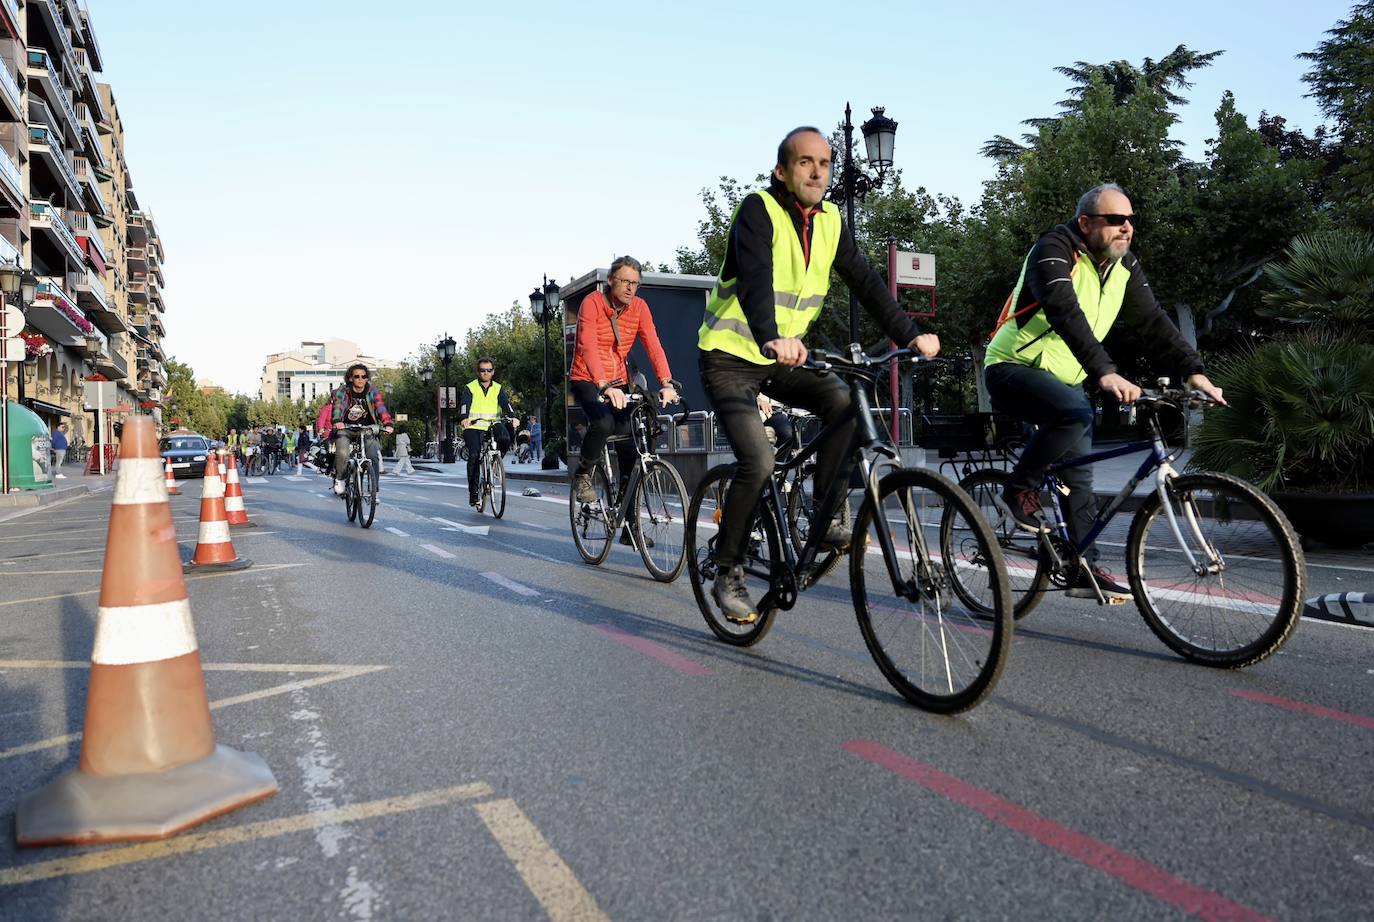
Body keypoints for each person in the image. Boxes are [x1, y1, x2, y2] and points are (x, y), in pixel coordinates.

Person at [698, 127, 940, 624]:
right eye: (804, 162)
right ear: (781, 172)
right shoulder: (757, 211)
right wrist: (769, 334)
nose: (816, 171)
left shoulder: (830, 222)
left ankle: (827, 511)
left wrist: (910, 334)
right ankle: (728, 569)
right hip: (729, 356)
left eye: (825, 163)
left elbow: (868, 283)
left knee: (848, 403)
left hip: (781, 358)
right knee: (759, 461)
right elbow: (755, 281)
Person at [984, 182, 1226, 601]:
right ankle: (1018, 486)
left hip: (1067, 381)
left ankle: (1081, 567)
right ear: (1086, 223)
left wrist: (1193, 372)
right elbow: (1064, 311)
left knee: (1080, 475)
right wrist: (1105, 372)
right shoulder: (1053, 250)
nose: (1126, 227)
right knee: (1074, 413)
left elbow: (1153, 321)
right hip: (1012, 368)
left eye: (1130, 220)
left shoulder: (1124, 266)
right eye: (1115, 220)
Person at [568, 255, 680, 540]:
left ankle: (630, 526)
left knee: (634, 442)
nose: (631, 288)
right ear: (611, 281)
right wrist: (604, 386)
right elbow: (587, 345)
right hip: (587, 378)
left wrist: (666, 382)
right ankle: (583, 474)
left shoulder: (640, 307)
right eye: (625, 282)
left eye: (635, 283)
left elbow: (653, 345)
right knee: (603, 424)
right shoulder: (592, 303)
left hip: (620, 380)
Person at [457, 357, 518, 509]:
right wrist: (464, 418)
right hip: (473, 426)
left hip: (492, 424)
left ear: (493, 372)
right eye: (483, 370)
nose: (486, 373)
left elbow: (506, 404)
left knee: (505, 438)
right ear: (478, 372)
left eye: (488, 370)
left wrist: (513, 417)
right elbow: (465, 405)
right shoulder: (470, 387)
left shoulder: (498, 388)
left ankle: (496, 462)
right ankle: (474, 494)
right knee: (474, 455)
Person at [331, 363, 394, 495]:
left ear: (367, 378)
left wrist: (387, 423)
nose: (360, 379)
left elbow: (380, 407)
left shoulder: (372, 391)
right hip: (346, 428)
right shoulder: (344, 391)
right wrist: (337, 421)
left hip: (367, 429)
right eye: (356, 376)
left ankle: (374, 490)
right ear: (350, 378)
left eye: (363, 376)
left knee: (373, 456)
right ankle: (340, 478)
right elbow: (339, 406)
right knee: (342, 452)